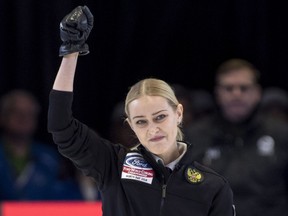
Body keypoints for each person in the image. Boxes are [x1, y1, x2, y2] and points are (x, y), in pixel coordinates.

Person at [47, 5, 235, 216]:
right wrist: (71, 51)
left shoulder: (213, 186)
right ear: (130, 125)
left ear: (179, 113)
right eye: (141, 121)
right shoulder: (113, 165)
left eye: (160, 117)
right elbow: (60, 125)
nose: (153, 129)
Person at [185, 58, 288, 216]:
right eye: (229, 88)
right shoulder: (194, 136)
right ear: (218, 93)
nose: (236, 94)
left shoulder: (281, 134)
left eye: (244, 88)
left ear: (257, 93)